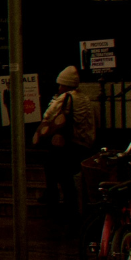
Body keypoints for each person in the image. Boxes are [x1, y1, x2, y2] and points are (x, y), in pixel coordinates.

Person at [35, 65, 97, 221]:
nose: (59, 87)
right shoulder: (85, 98)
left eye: (61, 84)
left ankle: (56, 204)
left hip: (69, 145)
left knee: (53, 169)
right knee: (66, 175)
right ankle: (68, 206)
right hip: (84, 147)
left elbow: (48, 116)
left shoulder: (65, 98)